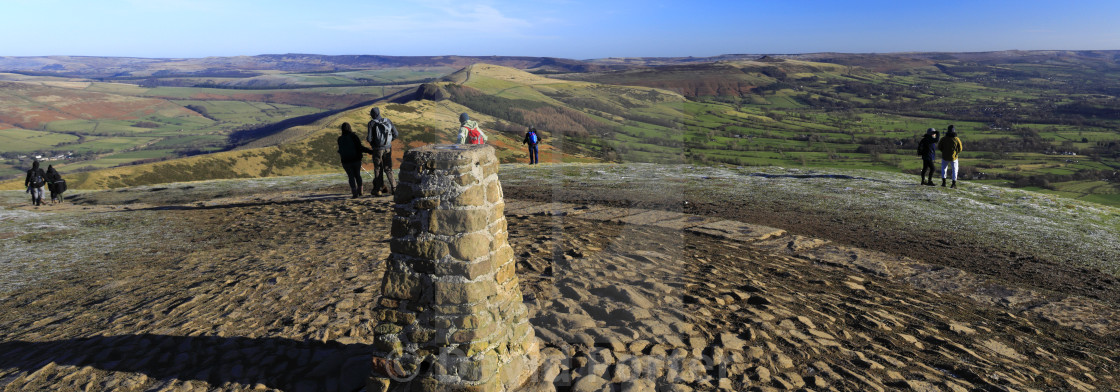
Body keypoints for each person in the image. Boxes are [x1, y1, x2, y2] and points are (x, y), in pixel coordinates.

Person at [366, 107, 399, 196]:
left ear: (372, 114)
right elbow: (396, 134)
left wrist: (373, 145)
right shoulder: (388, 121)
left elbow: (369, 138)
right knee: (388, 168)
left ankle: (378, 190)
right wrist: (389, 142)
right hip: (388, 148)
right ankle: (394, 188)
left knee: (378, 169)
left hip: (377, 149)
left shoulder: (371, 123)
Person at [337, 122, 373, 199]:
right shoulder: (353, 136)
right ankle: (360, 192)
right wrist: (370, 151)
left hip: (345, 161)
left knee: (351, 177)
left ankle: (354, 193)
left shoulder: (340, 139)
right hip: (356, 160)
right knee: (357, 175)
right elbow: (360, 147)